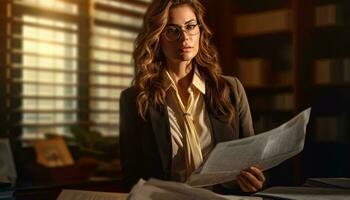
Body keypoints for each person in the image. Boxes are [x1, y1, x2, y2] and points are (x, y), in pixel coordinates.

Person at [119, 0, 266, 193]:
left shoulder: (231, 89)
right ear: (157, 36)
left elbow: (251, 161)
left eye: (190, 27)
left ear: (200, 30)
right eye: (172, 30)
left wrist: (254, 181)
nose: (184, 38)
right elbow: (132, 177)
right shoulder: (134, 99)